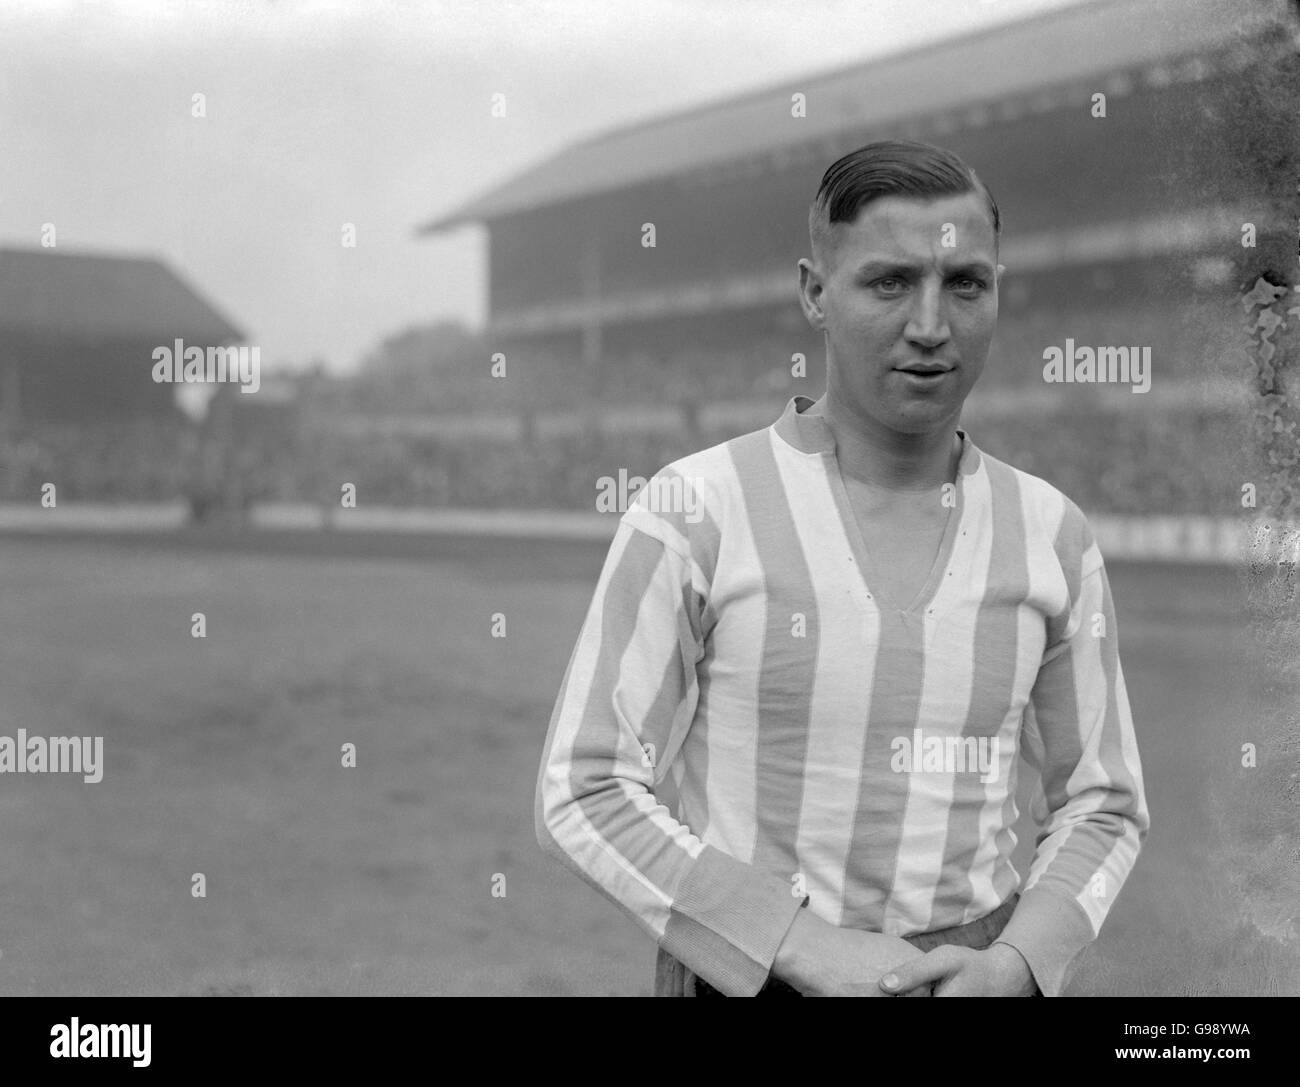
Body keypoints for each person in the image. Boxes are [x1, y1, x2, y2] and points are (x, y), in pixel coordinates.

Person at [534, 140, 1149, 997]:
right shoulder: (696, 507)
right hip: (746, 974)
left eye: (965, 282)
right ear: (815, 292)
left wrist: (1014, 963)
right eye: (890, 282)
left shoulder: (1054, 533)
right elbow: (585, 785)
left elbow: (1104, 800)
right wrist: (795, 944)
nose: (931, 325)